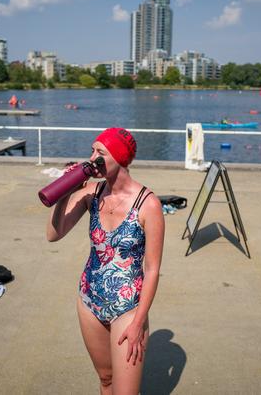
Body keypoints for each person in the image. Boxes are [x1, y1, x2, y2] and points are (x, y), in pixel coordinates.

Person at [46, 127, 165, 394]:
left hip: (128, 308)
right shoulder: (91, 192)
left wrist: (138, 324)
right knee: (106, 380)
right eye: (92, 150)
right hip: (89, 300)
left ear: (119, 158)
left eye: (100, 152)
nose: (91, 158)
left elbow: (153, 269)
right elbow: (53, 234)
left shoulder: (149, 205)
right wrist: (64, 192)